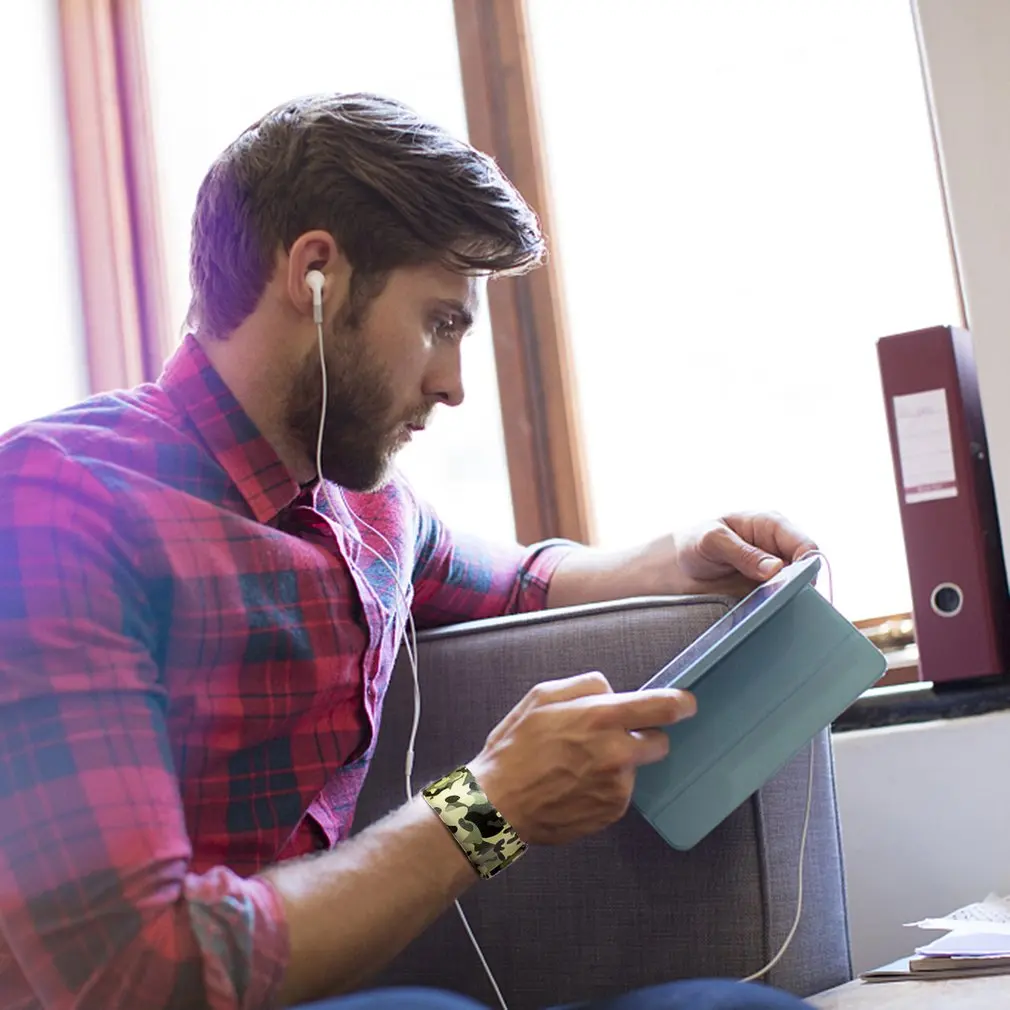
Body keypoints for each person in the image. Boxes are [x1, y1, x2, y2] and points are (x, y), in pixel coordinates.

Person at [0, 93, 818, 1010]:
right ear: (317, 274)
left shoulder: (371, 511)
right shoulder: (55, 508)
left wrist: (679, 557)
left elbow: (517, 579)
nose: (454, 386)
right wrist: (484, 809)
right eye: (441, 322)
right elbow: (136, 973)